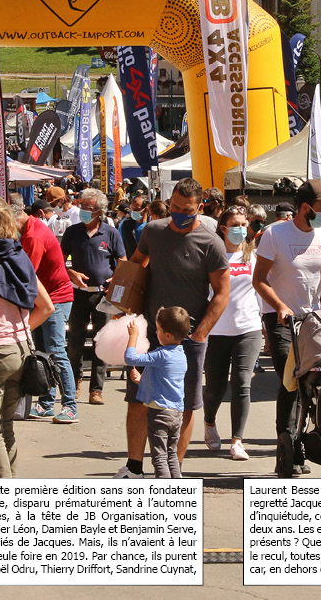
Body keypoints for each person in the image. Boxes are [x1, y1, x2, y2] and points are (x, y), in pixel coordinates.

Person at [115, 177, 230, 478]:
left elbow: (221, 293)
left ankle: (172, 472)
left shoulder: (211, 243)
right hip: (151, 335)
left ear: (200, 207)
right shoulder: (154, 231)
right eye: (175, 207)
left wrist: (200, 332)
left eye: (187, 210)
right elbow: (136, 266)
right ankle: (134, 467)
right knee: (138, 399)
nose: (179, 214)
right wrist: (121, 300)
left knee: (183, 407)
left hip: (187, 339)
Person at [253, 179, 321, 459]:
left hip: (311, 319)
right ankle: (287, 443)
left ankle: (309, 436)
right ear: (304, 208)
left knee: (316, 380)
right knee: (292, 379)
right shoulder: (275, 235)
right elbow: (259, 280)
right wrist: (279, 306)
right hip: (280, 320)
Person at [0, 192, 54, 477]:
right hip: (21, 349)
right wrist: (23, 329)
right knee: (6, 425)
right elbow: (47, 306)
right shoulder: (19, 254)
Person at [203, 206, 264, 461]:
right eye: (235, 224)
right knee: (215, 387)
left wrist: (266, 327)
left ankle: (237, 440)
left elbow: (262, 291)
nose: (241, 228)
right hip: (216, 331)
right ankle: (209, 422)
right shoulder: (212, 257)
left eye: (244, 223)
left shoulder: (254, 257)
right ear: (223, 228)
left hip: (248, 329)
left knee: (242, 382)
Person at [14, 197, 79, 424]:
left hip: (56, 299)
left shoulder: (32, 235)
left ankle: (70, 405)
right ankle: (46, 403)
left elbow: (25, 275)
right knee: (41, 352)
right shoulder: (30, 227)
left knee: (55, 351)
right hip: (43, 300)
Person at [61, 189, 127, 406]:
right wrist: (72, 273)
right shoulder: (72, 232)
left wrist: (114, 281)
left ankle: (96, 390)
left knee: (102, 342)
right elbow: (60, 261)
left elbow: (123, 262)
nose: (84, 212)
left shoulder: (110, 233)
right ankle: (75, 382)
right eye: (82, 207)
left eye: (88, 208)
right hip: (78, 294)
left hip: (103, 296)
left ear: (99, 211)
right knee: (75, 343)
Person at [124, 308, 191, 479]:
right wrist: (141, 380)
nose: (156, 332)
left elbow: (131, 358)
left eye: (159, 330)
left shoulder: (161, 354)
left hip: (159, 414)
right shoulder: (181, 355)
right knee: (171, 454)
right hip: (176, 414)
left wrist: (133, 336)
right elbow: (166, 382)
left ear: (168, 335)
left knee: (159, 457)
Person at [120, 193, 149, 257]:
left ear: (146, 209)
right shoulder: (126, 225)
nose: (133, 212)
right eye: (132, 209)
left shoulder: (152, 225)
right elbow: (121, 245)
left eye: (136, 209)